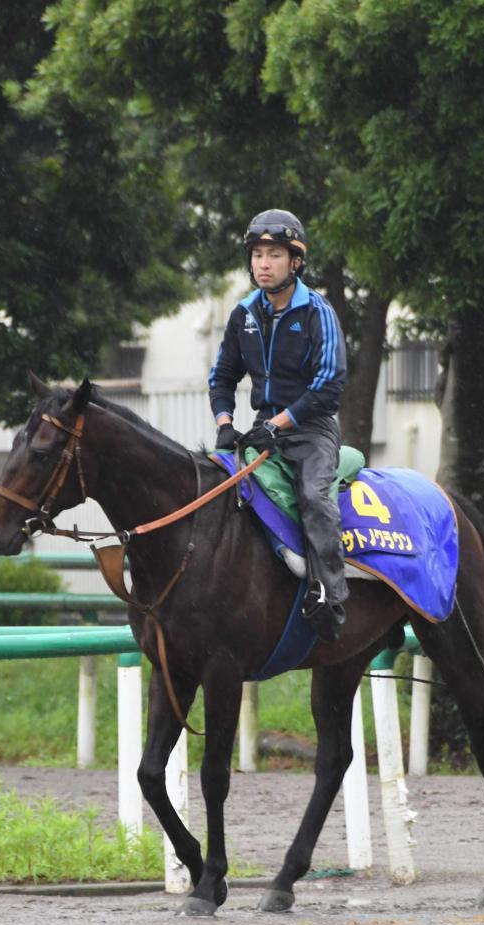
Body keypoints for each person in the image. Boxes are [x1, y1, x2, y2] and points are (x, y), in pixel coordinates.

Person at [209, 209, 348, 643]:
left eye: (274, 255)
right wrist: (225, 422)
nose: (263, 264)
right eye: (257, 255)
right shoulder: (243, 313)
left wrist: (283, 422)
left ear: (296, 262)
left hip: (312, 430)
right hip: (258, 429)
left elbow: (329, 385)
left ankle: (329, 594)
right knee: (214, 488)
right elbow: (222, 376)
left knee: (312, 495)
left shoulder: (317, 312)